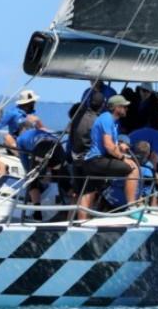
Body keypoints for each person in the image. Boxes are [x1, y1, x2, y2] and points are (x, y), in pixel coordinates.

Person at [83, 94, 140, 208]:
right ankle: (132, 206)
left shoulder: (112, 122)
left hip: (93, 160)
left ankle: (79, 222)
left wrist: (120, 146)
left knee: (89, 193)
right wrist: (123, 158)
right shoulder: (107, 118)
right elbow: (108, 145)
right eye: (124, 106)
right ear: (117, 108)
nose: (126, 109)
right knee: (133, 169)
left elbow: (110, 145)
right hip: (96, 159)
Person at [17, 119, 71, 218]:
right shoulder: (41, 132)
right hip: (57, 146)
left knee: (32, 180)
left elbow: (25, 162)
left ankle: (37, 213)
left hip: (42, 146)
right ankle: (68, 206)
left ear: (21, 130)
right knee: (59, 178)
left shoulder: (20, 138)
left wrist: (29, 173)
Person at [69, 91, 105, 219]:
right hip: (88, 160)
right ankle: (82, 222)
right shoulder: (98, 121)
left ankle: (70, 220)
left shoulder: (77, 117)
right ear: (102, 105)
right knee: (88, 192)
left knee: (76, 192)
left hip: (75, 159)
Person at [104, 140, 158, 209]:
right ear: (148, 153)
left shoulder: (122, 161)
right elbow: (148, 191)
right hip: (133, 203)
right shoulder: (149, 169)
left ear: (134, 151)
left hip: (112, 199)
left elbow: (112, 181)